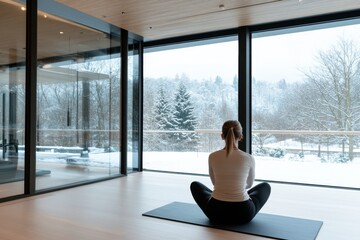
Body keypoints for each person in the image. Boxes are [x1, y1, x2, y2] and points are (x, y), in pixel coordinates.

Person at [190, 120, 271, 224]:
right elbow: (249, 184)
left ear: (222, 136)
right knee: (265, 186)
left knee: (195, 185)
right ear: (241, 136)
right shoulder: (249, 158)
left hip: (215, 212)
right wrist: (236, 188)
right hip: (243, 213)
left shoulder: (212, 156)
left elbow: (215, 183)